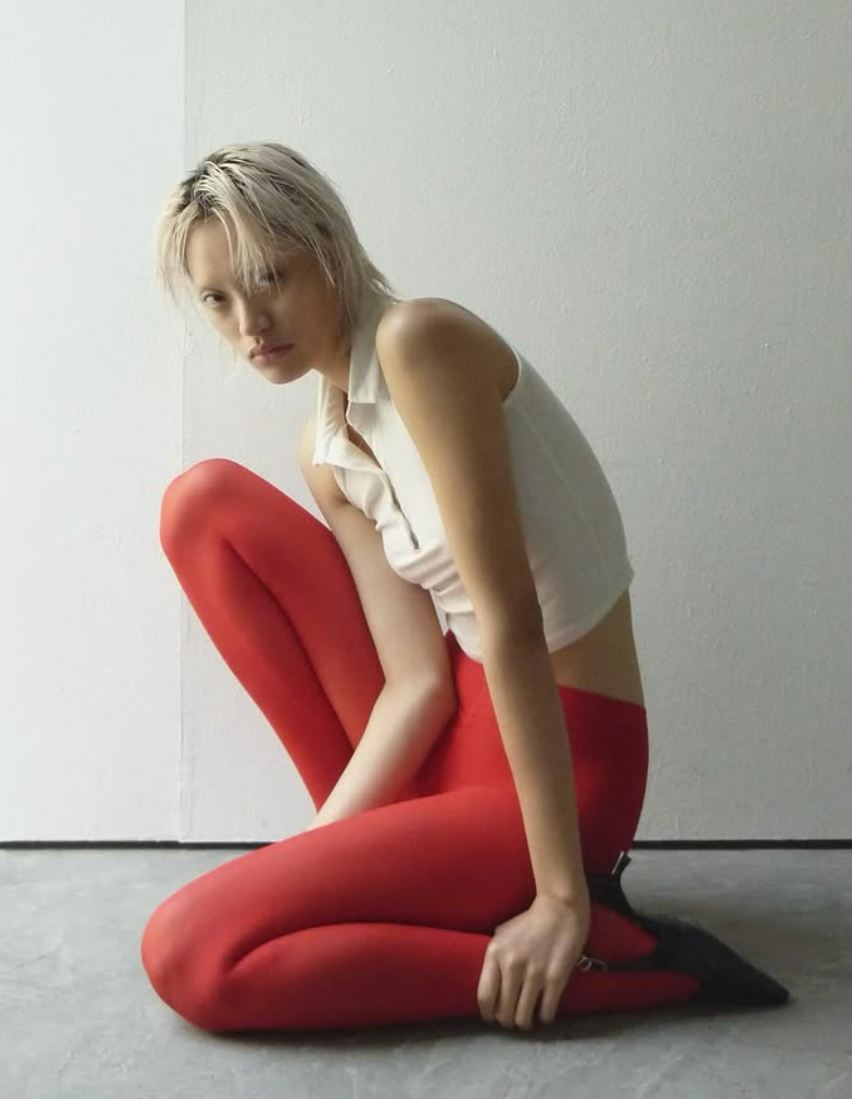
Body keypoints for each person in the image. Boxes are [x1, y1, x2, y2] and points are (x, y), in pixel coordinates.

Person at [140, 141, 789, 1033]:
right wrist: (316, 855)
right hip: (451, 731)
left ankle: (635, 961)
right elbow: (417, 682)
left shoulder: (420, 343)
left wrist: (559, 896)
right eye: (217, 298)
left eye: (268, 278)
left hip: (561, 762)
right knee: (203, 507)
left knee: (189, 953)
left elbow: (510, 619)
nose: (250, 321)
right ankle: (393, 883)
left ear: (327, 247)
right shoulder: (325, 448)